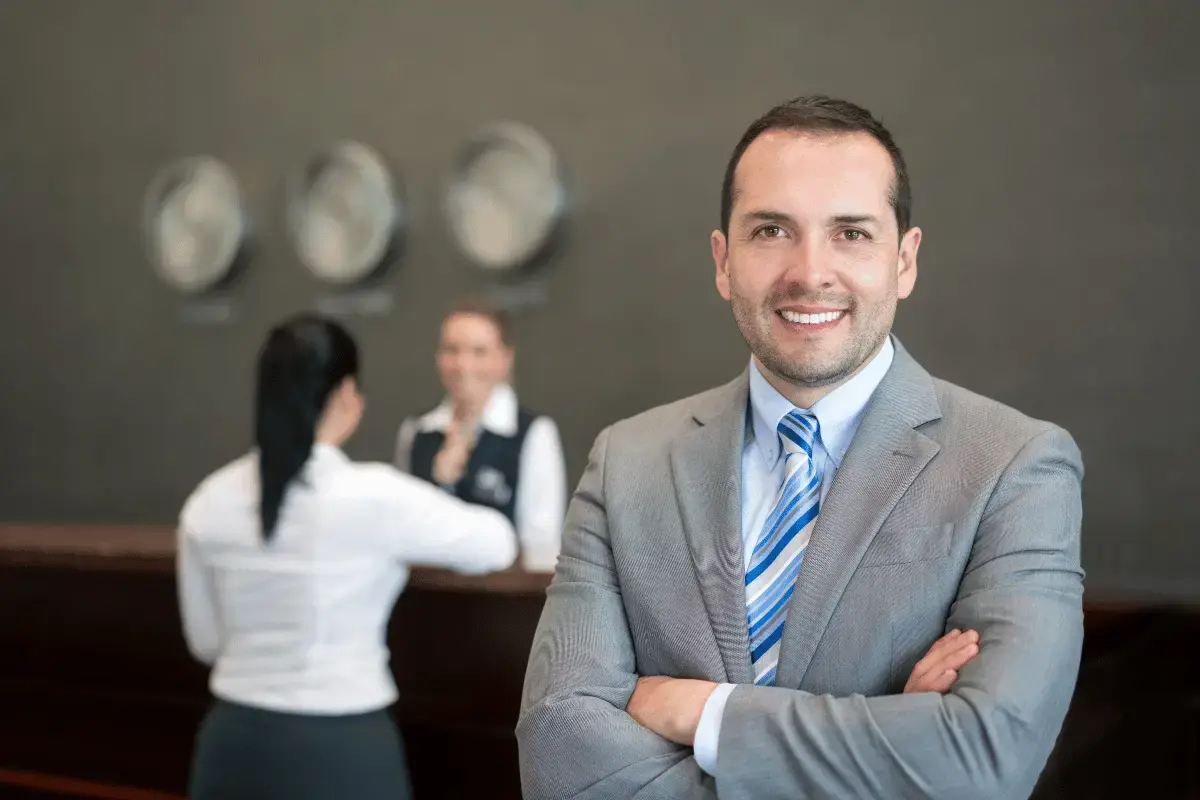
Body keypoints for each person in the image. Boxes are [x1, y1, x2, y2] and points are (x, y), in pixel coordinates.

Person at [516, 95, 1084, 799]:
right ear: (723, 261)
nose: (810, 272)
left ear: (904, 261)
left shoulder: (1016, 466)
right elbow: (557, 753)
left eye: (851, 233)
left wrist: (705, 713)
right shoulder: (626, 462)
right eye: (772, 230)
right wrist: (890, 733)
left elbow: (984, 761)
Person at [177, 313, 517, 800]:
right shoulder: (375, 495)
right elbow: (498, 543)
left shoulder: (208, 501)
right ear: (345, 395)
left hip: (232, 744)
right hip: (340, 751)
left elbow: (206, 642)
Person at [395, 297, 567, 572]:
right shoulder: (417, 432)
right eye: (452, 350)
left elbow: (541, 545)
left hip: (502, 600)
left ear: (504, 359)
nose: (463, 365)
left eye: (479, 351)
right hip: (425, 598)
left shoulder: (532, 434)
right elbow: (402, 530)